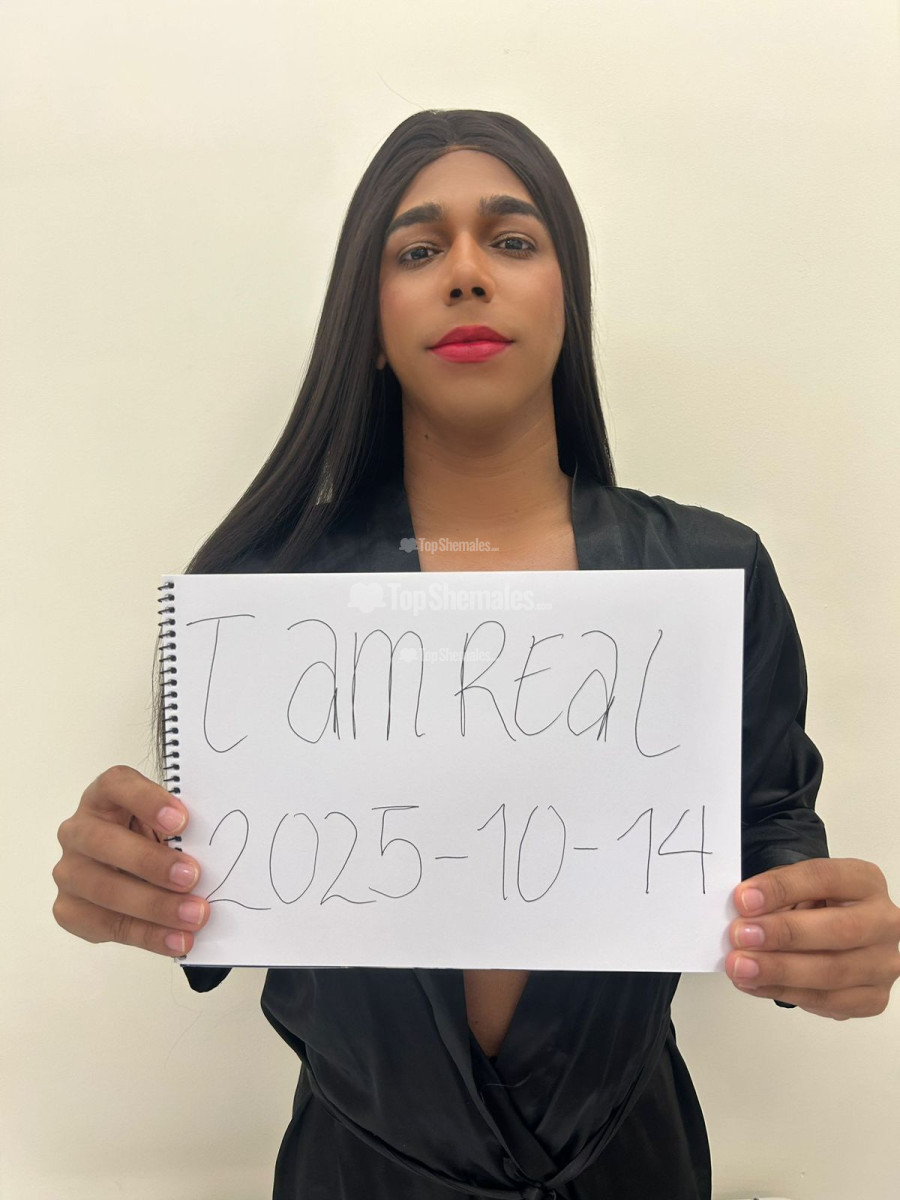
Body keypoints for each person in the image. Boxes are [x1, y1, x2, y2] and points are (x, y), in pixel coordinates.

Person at [52, 110, 900, 1199]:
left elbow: (771, 842)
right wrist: (129, 875)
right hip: (356, 1172)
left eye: (510, 240)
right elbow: (212, 882)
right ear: (368, 320)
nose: (465, 272)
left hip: (631, 1163)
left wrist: (827, 943)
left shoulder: (710, 572)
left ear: (566, 298)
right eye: (417, 250)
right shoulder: (260, 599)